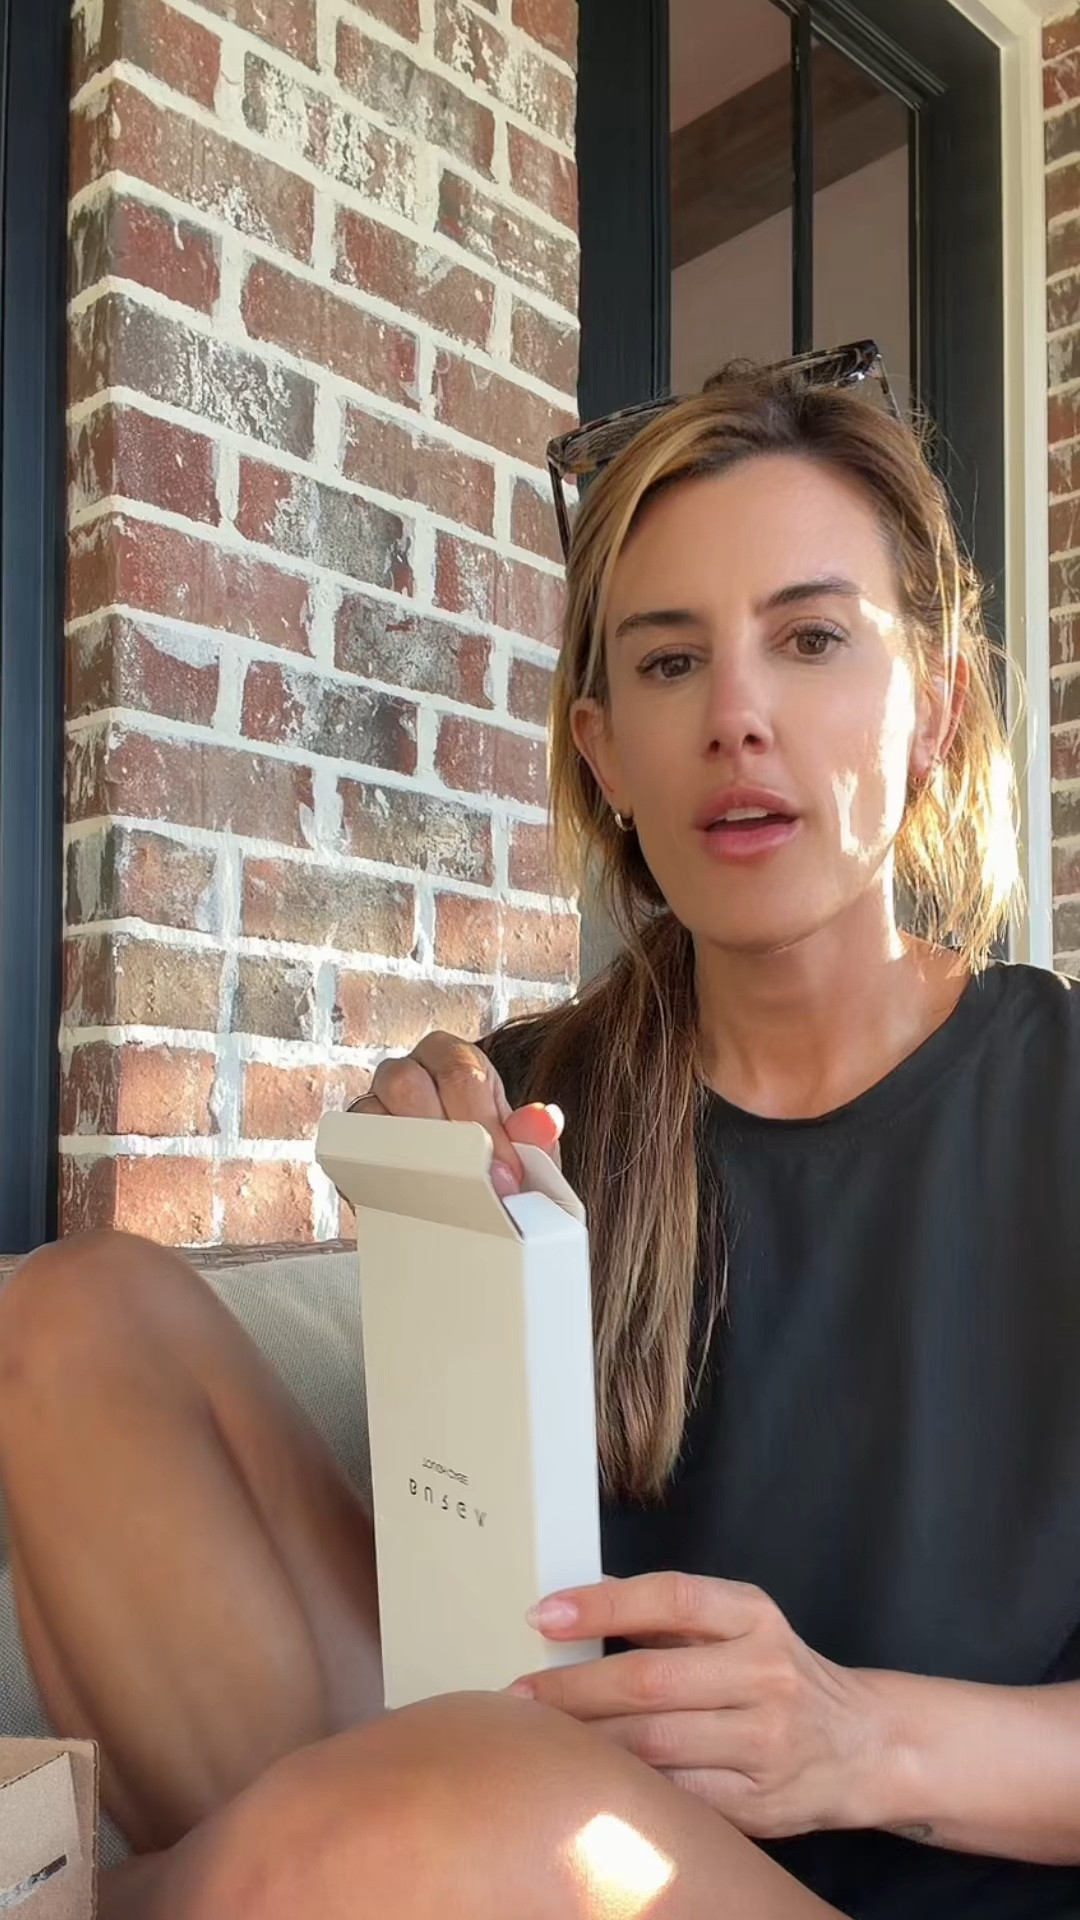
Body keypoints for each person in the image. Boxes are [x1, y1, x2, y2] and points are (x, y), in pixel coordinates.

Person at [1, 350, 1079, 1920]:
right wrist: (430, 1233)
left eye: (811, 639)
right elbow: (465, 1652)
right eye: (669, 663)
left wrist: (858, 1741)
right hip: (478, 1831)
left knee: (491, 1817)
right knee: (66, 1322)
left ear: (936, 709)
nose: (736, 718)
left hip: (710, 1870)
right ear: (604, 751)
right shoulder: (537, 1106)